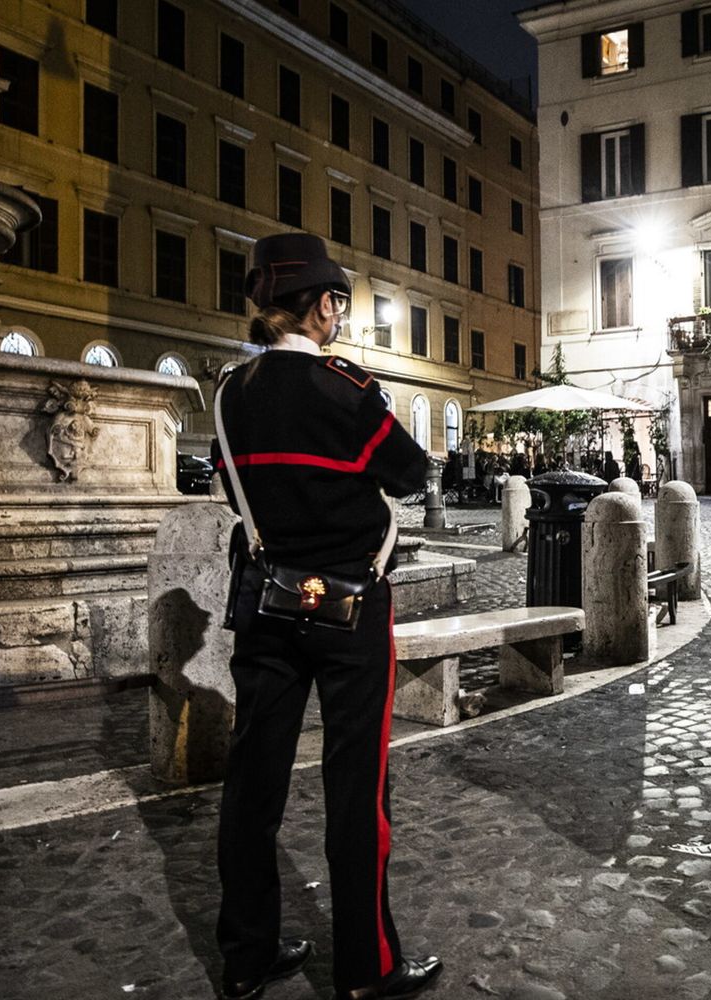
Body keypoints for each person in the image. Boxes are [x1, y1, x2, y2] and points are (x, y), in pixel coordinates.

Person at [212, 232, 442, 1000]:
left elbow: (226, 488)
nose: (340, 316)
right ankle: (366, 968)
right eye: (337, 301)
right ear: (321, 306)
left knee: (253, 783)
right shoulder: (346, 390)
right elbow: (409, 474)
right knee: (355, 788)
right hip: (349, 604)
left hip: (267, 602)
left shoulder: (230, 395)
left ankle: (246, 955)